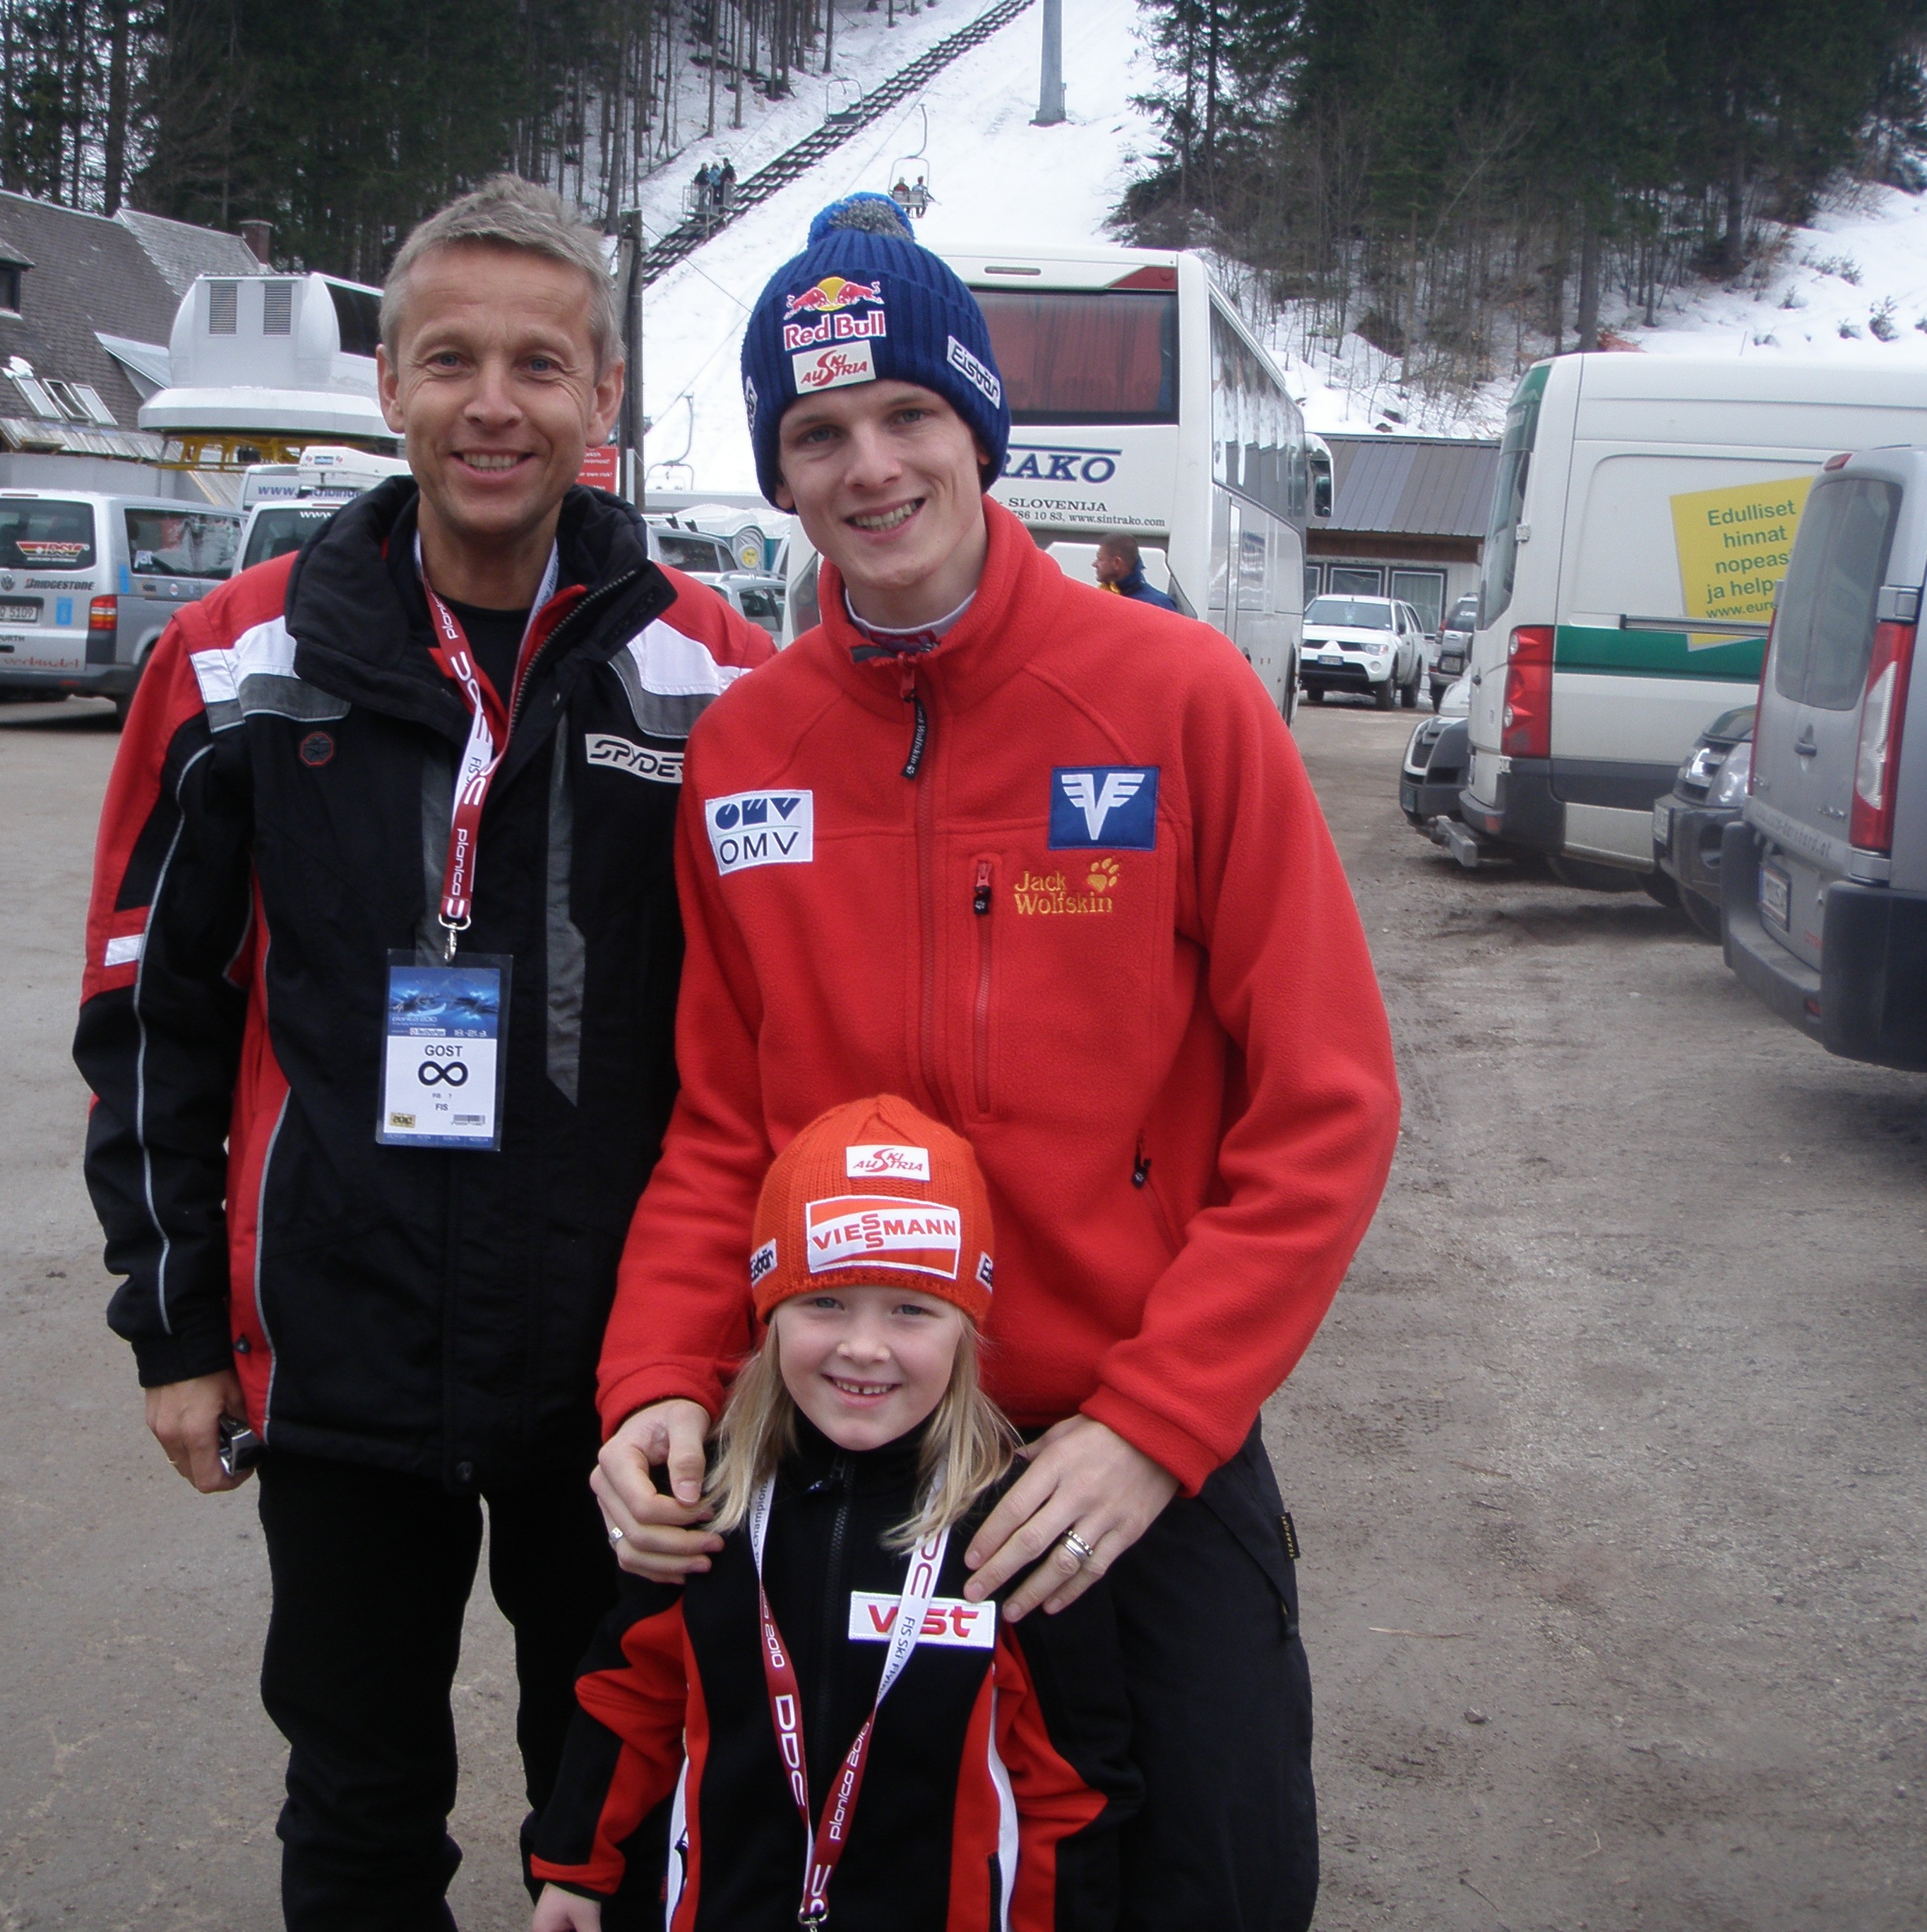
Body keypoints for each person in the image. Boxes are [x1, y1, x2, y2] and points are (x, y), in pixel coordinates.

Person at [590, 193, 1400, 1931]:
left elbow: (1326, 1104)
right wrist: (658, 1375)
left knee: (1215, 1881)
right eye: (816, 434)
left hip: (1129, 1458)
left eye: (907, 416)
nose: (869, 467)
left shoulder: (1174, 698)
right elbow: (722, 1123)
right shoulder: (747, 744)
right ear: (779, 472)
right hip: (853, 1440)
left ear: (977, 428)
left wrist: (1154, 1423)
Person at [73, 174, 772, 1931]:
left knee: (615, 1796)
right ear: (385, 381)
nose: (492, 403)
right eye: (448, 356)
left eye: (540, 364)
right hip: (341, 1352)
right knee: (361, 1798)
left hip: (622, 1381)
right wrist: (174, 1327)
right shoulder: (237, 659)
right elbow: (149, 1006)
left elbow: (782, 1025)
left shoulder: (716, 676)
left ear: (603, 397)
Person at [530, 1096, 1133, 1932]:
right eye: (826, 1303)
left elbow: (1071, 1786)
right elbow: (629, 1700)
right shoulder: (709, 1507)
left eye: (911, 1310)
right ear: (768, 1315)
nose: (863, 1345)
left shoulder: (1013, 1532)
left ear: (968, 1329)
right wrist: (572, 1868)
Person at [1092, 532, 1178, 612]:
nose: (1094, 564)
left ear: (1117, 563)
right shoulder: (1102, 597)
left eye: (1100, 559)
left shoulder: (1158, 605)